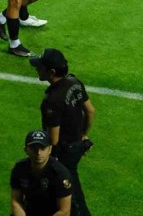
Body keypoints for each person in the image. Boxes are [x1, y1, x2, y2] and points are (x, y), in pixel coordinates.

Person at [31, 48, 96, 216]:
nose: (37, 69)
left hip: (64, 153)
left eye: (40, 67)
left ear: (51, 72)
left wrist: (38, 147)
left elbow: (53, 139)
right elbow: (90, 111)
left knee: (72, 196)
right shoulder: (74, 82)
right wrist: (83, 134)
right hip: (76, 145)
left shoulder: (53, 100)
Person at [10, 130, 73, 216]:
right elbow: (16, 201)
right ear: (26, 150)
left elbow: (64, 211)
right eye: (34, 148)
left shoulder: (61, 175)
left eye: (42, 148)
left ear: (50, 149)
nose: (38, 153)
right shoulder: (20, 168)